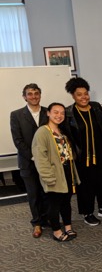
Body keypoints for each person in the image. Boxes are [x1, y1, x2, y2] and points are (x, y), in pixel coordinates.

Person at [64, 77, 102, 226]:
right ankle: (87, 213)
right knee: (86, 185)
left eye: (85, 93)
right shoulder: (69, 112)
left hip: (101, 152)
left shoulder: (96, 107)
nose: (83, 97)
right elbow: (67, 135)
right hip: (82, 156)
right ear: (73, 95)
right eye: (79, 94)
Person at [32, 103, 80, 242]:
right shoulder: (42, 132)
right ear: (48, 113)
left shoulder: (62, 131)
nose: (59, 115)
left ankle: (68, 227)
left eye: (62, 113)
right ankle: (57, 231)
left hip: (67, 171)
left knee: (66, 202)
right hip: (54, 175)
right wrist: (48, 177)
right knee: (54, 204)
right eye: (56, 112)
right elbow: (40, 157)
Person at [10, 83, 49, 238]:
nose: (34, 96)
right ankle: (37, 223)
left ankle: (47, 220)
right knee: (33, 194)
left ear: (40, 95)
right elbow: (18, 140)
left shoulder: (48, 112)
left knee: (47, 192)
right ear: (24, 96)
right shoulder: (16, 115)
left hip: (47, 161)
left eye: (36, 93)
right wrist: (33, 156)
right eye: (30, 94)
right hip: (28, 162)